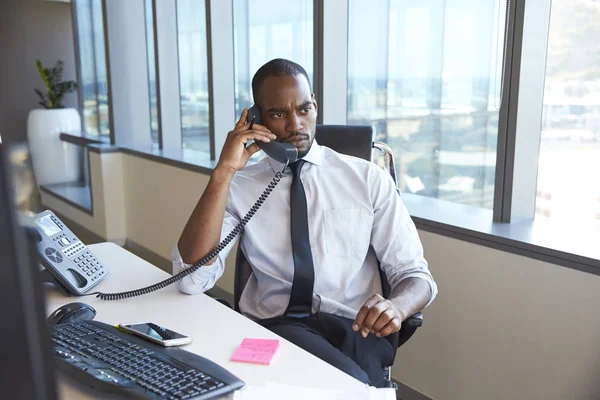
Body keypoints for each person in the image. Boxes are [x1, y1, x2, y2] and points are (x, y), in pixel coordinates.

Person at [174, 58, 437, 387]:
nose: (295, 124)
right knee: (350, 387)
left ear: (315, 104)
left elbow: (416, 277)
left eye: (303, 109)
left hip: (355, 329)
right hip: (276, 330)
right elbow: (190, 280)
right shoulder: (240, 187)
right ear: (256, 118)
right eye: (279, 113)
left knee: (349, 383)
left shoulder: (368, 179)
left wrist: (396, 307)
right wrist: (223, 173)